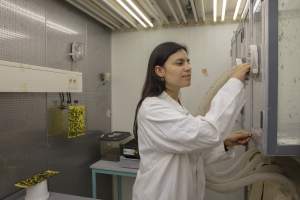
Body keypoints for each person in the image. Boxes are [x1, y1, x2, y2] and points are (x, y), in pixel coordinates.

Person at [132, 42, 251, 200]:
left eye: (188, 62)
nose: (188, 67)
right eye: (179, 63)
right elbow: (209, 132)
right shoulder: (153, 109)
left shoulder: (174, 107)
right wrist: (235, 82)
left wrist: (225, 142)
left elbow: (189, 155)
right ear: (159, 71)